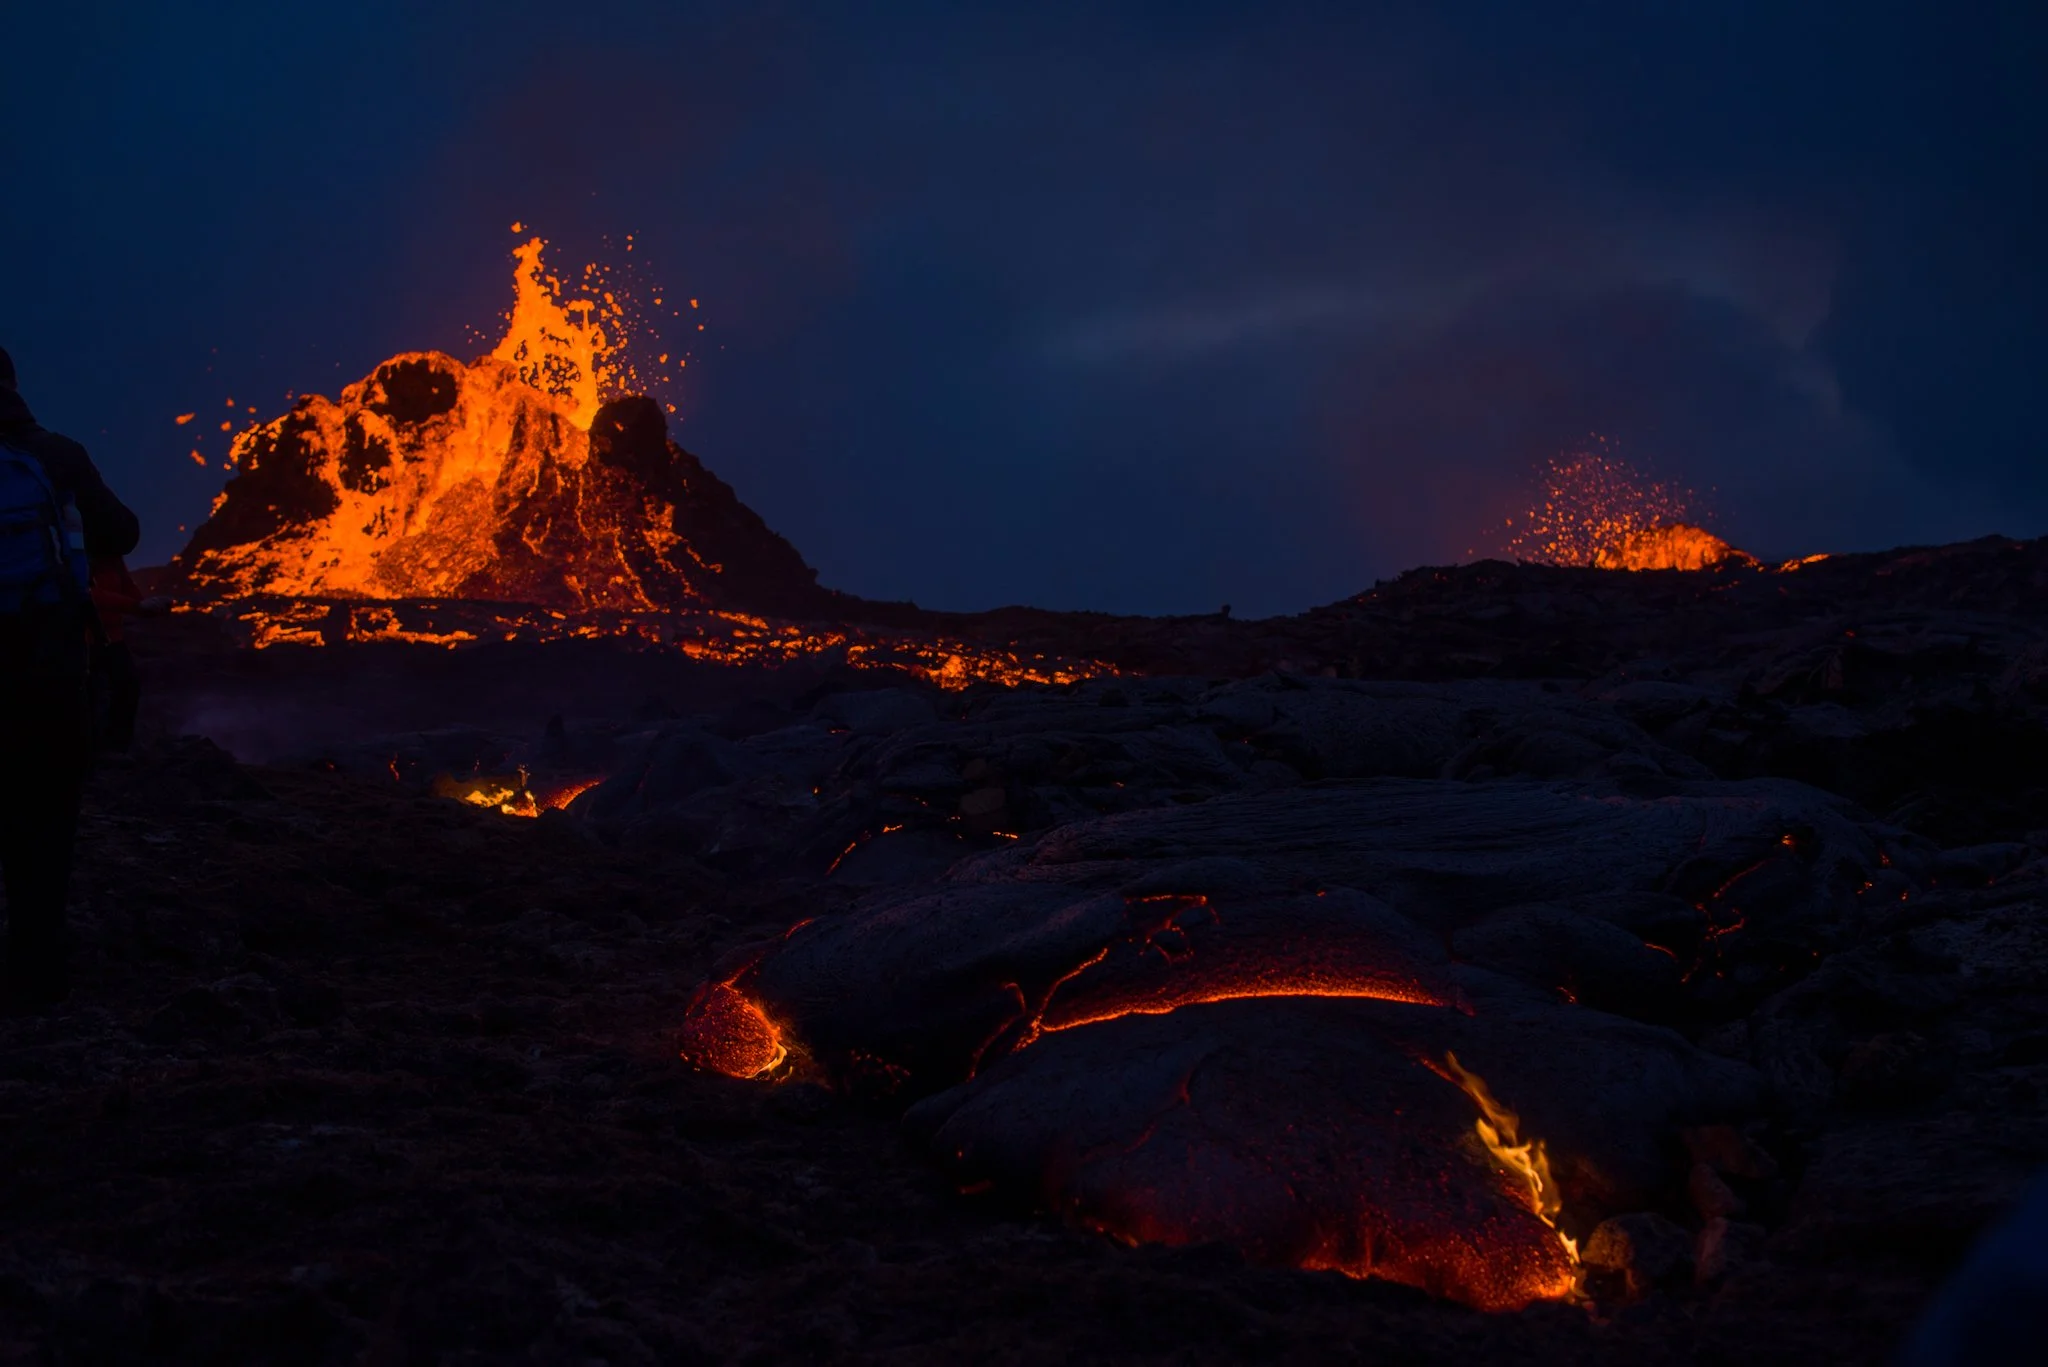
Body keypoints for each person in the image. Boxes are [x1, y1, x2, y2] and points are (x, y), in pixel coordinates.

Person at [0, 344, 140, 1010]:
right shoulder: (56, 454)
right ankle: (38, 974)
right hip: (47, 672)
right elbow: (124, 530)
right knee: (45, 822)